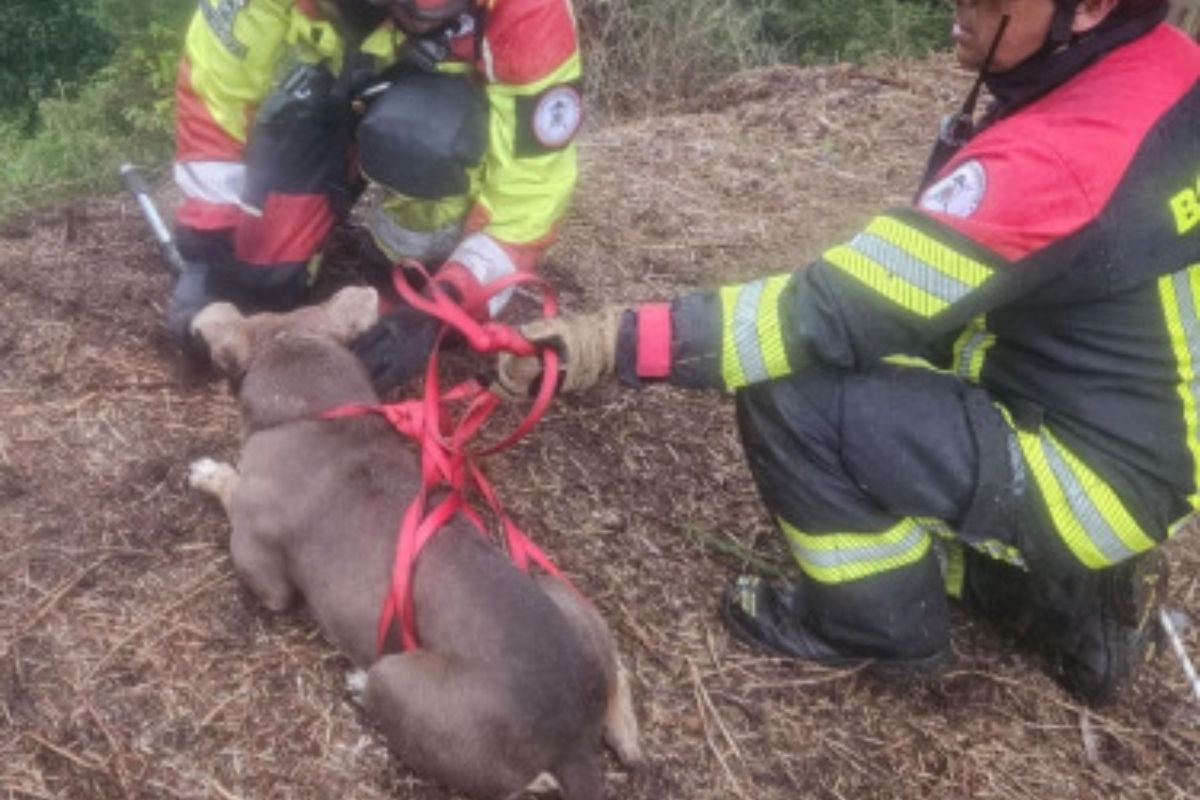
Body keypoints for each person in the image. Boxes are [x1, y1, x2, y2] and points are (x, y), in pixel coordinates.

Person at [494, 0, 1200, 705]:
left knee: (795, 391)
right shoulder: (1166, 69)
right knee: (892, 358)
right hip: (1140, 437)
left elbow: (822, 315)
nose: (959, 4)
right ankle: (1068, 604)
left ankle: (877, 627)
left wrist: (609, 342)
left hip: (1091, 475)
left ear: (1091, 7)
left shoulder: (1059, 157)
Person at [169, 0, 583, 392]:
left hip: (441, 115)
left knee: (422, 142)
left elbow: (530, 196)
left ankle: (402, 275)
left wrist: (437, 310)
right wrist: (204, 248)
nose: (423, 19)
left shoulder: (533, 13)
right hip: (332, 84)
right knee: (257, 278)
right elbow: (216, 82)